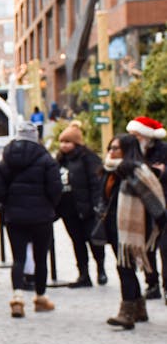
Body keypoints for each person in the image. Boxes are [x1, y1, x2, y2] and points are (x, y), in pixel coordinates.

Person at [0, 121, 62, 318]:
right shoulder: (45, 158)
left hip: (15, 216)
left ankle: (17, 297)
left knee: (18, 258)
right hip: (41, 216)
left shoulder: (6, 159)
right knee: (41, 258)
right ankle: (40, 297)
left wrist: (8, 203)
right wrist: (50, 205)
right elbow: (55, 188)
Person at [100, 134, 167, 329]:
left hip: (133, 229)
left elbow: (154, 199)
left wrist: (160, 225)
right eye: (110, 148)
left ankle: (127, 312)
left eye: (116, 148)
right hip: (114, 226)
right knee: (125, 266)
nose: (111, 152)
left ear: (127, 150)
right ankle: (139, 308)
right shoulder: (110, 169)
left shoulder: (135, 170)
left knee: (124, 267)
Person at [56, 122, 107, 287]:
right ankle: (84, 274)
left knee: (94, 241)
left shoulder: (87, 158)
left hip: (87, 209)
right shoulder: (59, 160)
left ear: (76, 143)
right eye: (62, 142)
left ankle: (101, 269)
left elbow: (95, 183)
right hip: (68, 210)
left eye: (67, 142)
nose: (64, 145)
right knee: (77, 242)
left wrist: (96, 205)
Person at [126, 116, 167, 300]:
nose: (134, 138)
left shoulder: (163, 150)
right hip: (141, 207)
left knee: (165, 248)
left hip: (163, 205)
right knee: (146, 248)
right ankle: (152, 284)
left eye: (136, 135)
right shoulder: (133, 152)